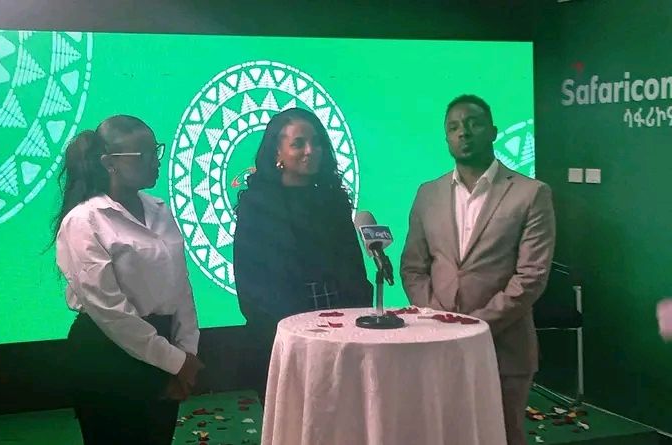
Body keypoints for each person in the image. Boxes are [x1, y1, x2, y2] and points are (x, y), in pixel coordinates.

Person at [400, 95, 556, 445]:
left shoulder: (531, 193)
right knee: (438, 435)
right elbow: (413, 267)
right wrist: (438, 318)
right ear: (446, 138)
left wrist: (475, 325)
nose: (464, 133)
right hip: (436, 344)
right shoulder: (427, 194)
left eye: (473, 124)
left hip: (503, 348)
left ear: (494, 131)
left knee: (501, 435)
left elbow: (531, 276)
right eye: (454, 127)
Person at [54, 115, 203, 445]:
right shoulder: (85, 220)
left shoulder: (159, 210)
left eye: (156, 151)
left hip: (164, 348)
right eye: (143, 155)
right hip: (108, 356)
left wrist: (187, 351)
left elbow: (181, 287)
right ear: (109, 163)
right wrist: (175, 361)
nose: (156, 161)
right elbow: (110, 311)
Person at [233, 107, 373, 400]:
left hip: (343, 330)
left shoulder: (334, 200)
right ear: (277, 153)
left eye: (316, 142)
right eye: (298, 143)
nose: (311, 151)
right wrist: (295, 333)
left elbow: (354, 270)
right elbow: (251, 283)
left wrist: (354, 324)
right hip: (283, 334)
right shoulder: (256, 206)